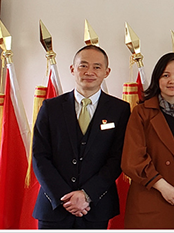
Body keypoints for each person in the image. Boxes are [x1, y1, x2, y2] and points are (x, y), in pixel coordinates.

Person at [32, 45, 131, 229]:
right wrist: (64, 197)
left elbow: (117, 157)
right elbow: (39, 156)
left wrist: (87, 194)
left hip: (95, 207)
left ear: (106, 72)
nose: (89, 72)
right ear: (72, 69)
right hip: (54, 207)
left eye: (97, 67)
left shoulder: (120, 110)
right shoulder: (50, 108)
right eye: (83, 65)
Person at [121, 52, 174, 228]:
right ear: (157, 79)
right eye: (166, 75)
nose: (172, 80)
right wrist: (161, 185)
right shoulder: (141, 112)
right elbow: (132, 158)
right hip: (150, 198)